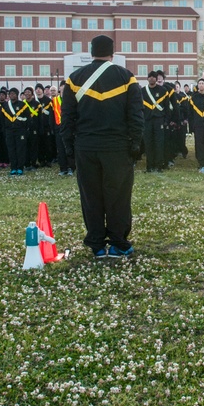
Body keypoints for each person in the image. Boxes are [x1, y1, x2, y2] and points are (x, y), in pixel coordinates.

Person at [61, 35, 144, 258]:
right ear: (113, 53)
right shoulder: (126, 77)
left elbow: (67, 118)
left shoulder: (73, 79)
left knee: (91, 196)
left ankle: (97, 244)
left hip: (86, 146)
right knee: (118, 196)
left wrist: (68, 147)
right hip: (117, 147)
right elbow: (136, 115)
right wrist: (136, 143)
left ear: (91, 52)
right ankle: (118, 243)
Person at [141, 71, 171, 173]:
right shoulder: (143, 91)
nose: (152, 79)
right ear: (147, 79)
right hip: (147, 121)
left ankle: (159, 166)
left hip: (159, 121)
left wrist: (166, 121)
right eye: (150, 77)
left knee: (159, 144)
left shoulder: (163, 90)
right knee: (148, 144)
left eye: (154, 77)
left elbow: (167, 107)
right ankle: (149, 167)